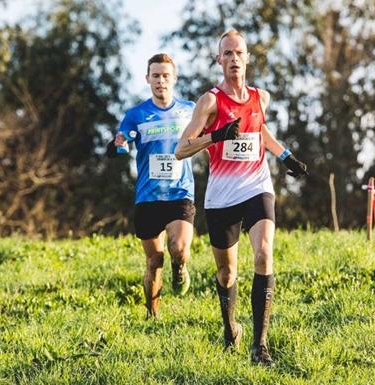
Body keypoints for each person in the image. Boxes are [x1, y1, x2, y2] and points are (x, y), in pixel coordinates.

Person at [175, 29, 308, 365]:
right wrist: (215, 135)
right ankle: (230, 327)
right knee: (227, 274)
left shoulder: (260, 97)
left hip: (256, 187)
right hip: (221, 198)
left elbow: (259, 131)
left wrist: (285, 156)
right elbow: (180, 149)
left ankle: (259, 347)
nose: (234, 59)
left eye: (239, 53)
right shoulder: (210, 102)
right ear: (219, 60)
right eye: (227, 54)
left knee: (264, 254)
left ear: (248, 58)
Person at [107, 53, 196, 319]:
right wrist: (118, 145)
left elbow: (211, 132)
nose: (161, 81)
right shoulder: (136, 115)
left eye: (166, 75)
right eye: (155, 76)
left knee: (178, 248)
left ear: (174, 78)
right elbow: (119, 143)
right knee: (154, 260)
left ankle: (180, 268)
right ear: (147, 79)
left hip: (180, 193)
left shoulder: (189, 110)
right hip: (148, 196)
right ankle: (152, 314)